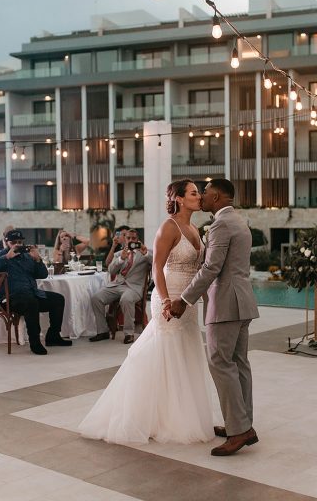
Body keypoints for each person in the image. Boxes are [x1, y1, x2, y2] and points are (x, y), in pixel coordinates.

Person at [79, 180, 216, 444]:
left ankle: (177, 413)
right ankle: (147, 417)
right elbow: (156, 267)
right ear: (178, 199)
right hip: (169, 298)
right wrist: (166, 301)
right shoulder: (169, 227)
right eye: (193, 193)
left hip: (188, 302)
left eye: (198, 192)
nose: (200, 196)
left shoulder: (195, 228)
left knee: (184, 356)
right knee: (164, 354)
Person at [170, 177, 260, 457]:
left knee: (220, 363)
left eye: (206, 193)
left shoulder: (221, 223)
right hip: (242, 301)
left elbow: (212, 268)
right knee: (239, 363)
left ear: (218, 197)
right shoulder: (239, 221)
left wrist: (183, 299)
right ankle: (244, 424)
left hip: (225, 304)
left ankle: (239, 431)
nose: (203, 197)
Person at [0, 229, 73, 355]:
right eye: (14, 242)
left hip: (31, 294)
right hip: (9, 299)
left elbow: (43, 274)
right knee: (31, 303)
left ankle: (53, 336)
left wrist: (37, 259)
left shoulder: (27, 256)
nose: (17, 244)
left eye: (20, 242)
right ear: (6, 242)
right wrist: (7, 257)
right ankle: (34, 342)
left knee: (58, 299)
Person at [89, 229, 152, 344]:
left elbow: (156, 263)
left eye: (133, 238)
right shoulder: (119, 254)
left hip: (134, 287)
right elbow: (111, 270)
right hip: (117, 285)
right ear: (125, 240)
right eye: (128, 238)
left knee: (126, 299)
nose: (131, 240)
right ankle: (103, 331)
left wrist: (146, 253)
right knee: (96, 298)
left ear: (138, 240)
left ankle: (129, 334)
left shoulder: (145, 252)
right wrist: (121, 259)